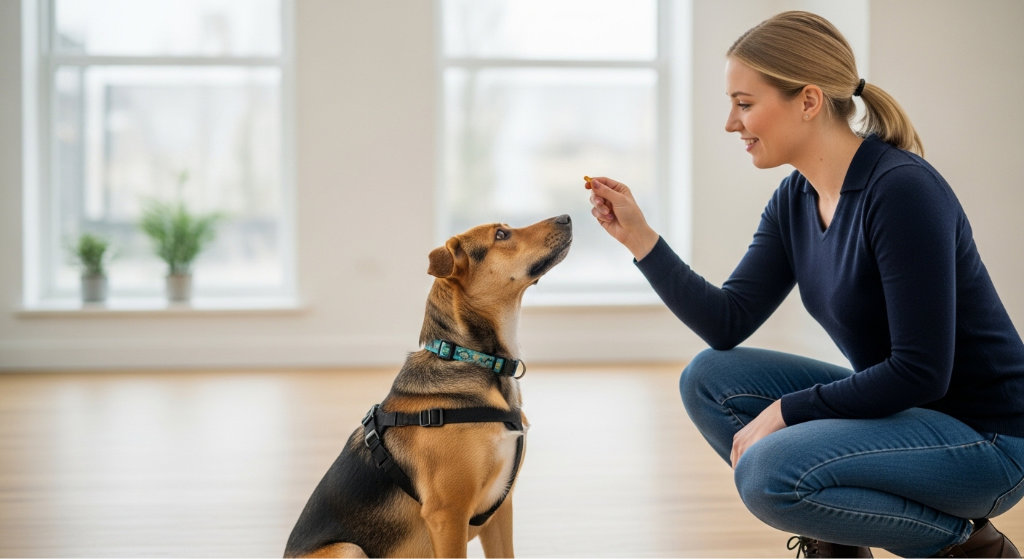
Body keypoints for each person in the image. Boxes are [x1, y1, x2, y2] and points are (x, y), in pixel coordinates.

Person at [587, 10, 1024, 559]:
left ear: (809, 101)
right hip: (911, 416)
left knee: (769, 474)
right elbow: (728, 322)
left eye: (744, 104)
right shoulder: (795, 199)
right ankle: (839, 542)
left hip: (988, 441)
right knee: (708, 378)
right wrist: (642, 240)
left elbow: (921, 371)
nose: (730, 123)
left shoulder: (902, 192)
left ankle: (971, 546)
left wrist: (786, 411)